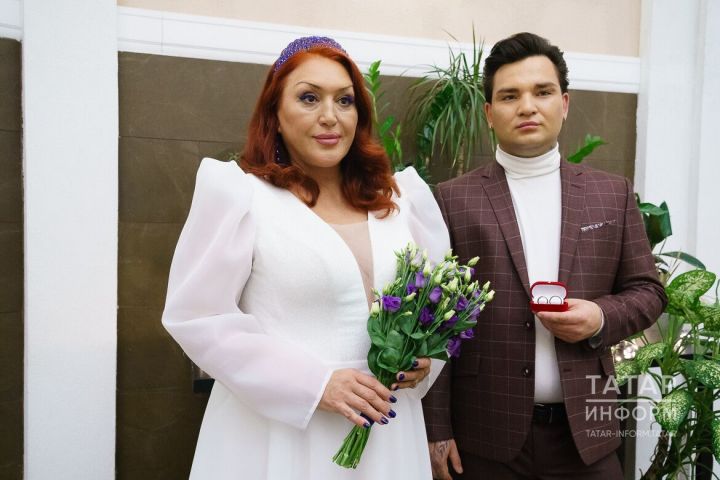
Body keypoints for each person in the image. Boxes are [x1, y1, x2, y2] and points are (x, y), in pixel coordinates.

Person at [161, 36, 449, 479]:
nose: (330, 116)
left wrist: (422, 362)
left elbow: (436, 308)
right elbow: (198, 316)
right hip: (280, 437)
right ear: (274, 114)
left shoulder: (400, 201)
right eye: (309, 98)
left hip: (387, 429)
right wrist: (315, 385)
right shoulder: (242, 196)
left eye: (345, 100)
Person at [422, 32, 667, 479]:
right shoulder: (453, 200)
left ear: (565, 103)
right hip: (485, 437)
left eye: (542, 92)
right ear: (489, 113)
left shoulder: (611, 194)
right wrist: (436, 429)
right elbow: (434, 322)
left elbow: (648, 291)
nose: (527, 106)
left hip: (586, 435)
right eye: (509, 96)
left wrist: (599, 317)